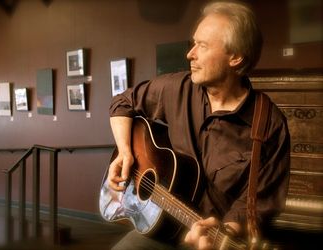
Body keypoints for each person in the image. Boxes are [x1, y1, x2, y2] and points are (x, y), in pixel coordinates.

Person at [107, 0, 290, 249]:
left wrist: (224, 233)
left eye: (202, 46)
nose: (189, 54)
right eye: (194, 43)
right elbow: (122, 102)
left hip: (213, 238)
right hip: (158, 222)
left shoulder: (269, 124)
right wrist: (125, 154)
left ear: (235, 57)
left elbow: (259, 203)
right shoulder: (177, 88)